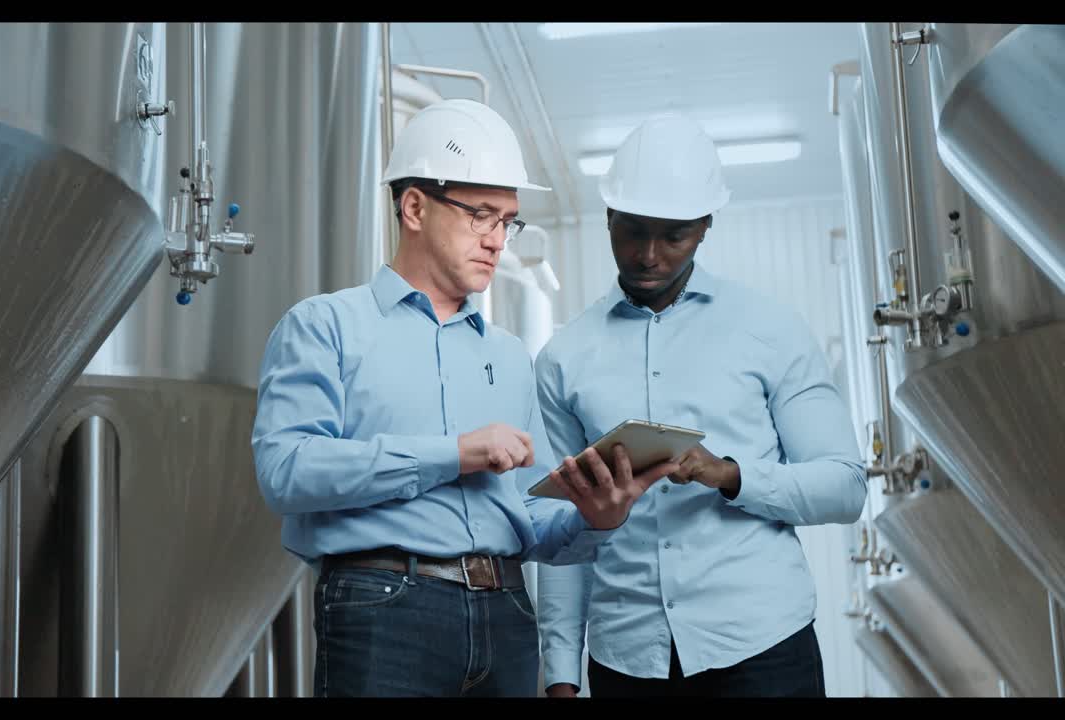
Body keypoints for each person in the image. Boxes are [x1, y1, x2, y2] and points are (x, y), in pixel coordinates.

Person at [250, 98, 678, 698]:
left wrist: (595, 518)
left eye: (508, 221)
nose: (498, 240)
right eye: (481, 215)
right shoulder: (325, 327)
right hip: (385, 609)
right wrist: (455, 454)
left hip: (507, 611)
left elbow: (530, 520)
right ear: (415, 207)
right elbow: (286, 471)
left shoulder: (509, 356)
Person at [534, 112, 867, 698]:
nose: (649, 255)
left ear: (706, 226)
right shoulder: (564, 357)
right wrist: (560, 671)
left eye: (674, 235)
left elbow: (844, 486)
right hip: (625, 659)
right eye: (632, 231)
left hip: (762, 645)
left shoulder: (771, 330)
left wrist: (731, 475)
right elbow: (562, 527)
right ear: (608, 217)